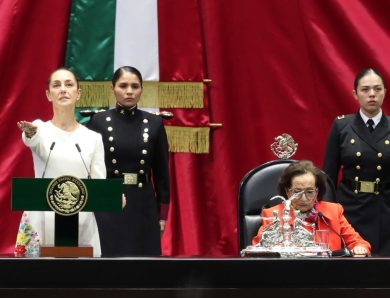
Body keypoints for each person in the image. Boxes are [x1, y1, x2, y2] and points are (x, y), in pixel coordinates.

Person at [16, 67, 106, 257]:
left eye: (69, 84)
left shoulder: (93, 138)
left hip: (80, 221)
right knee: (34, 282)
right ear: (49, 95)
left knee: (81, 281)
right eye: (56, 85)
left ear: (78, 93)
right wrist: (30, 133)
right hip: (40, 219)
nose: (63, 89)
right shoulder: (39, 128)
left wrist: (112, 196)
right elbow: (31, 138)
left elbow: (100, 185)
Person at [87, 66, 170, 256]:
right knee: (108, 263)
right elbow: (90, 170)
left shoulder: (155, 123)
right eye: (123, 86)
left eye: (135, 86)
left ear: (142, 89)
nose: (129, 91)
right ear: (112, 88)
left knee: (144, 267)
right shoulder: (98, 121)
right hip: (108, 201)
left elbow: (162, 174)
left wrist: (162, 215)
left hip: (143, 203)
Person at [323, 68, 390, 256]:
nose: (371, 94)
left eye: (377, 89)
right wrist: (330, 213)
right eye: (365, 89)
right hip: (350, 208)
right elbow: (328, 174)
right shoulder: (341, 126)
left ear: (385, 92)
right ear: (355, 94)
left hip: (385, 208)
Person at [252, 160, 371, 257]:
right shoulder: (274, 215)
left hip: (330, 276)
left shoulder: (334, 211)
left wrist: (359, 248)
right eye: (297, 192)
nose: (304, 198)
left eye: (309, 192)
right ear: (288, 192)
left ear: (317, 192)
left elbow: (358, 242)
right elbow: (258, 250)